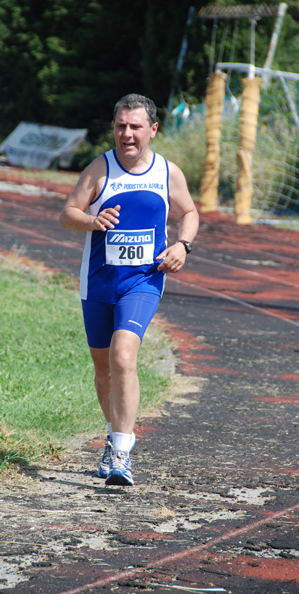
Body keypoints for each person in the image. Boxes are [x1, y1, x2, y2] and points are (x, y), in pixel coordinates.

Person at [59, 93, 199, 486]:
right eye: (121, 126)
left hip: (144, 280)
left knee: (123, 355)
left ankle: (122, 453)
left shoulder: (167, 173)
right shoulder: (99, 169)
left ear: (152, 130)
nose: (127, 134)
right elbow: (66, 214)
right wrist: (92, 220)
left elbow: (189, 212)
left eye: (135, 126)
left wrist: (182, 245)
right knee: (103, 369)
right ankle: (113, 432)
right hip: (99, 282)